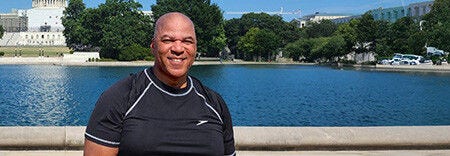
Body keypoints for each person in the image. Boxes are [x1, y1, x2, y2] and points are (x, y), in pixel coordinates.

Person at [84, 12, 236, 156]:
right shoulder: (120, 97)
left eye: (187, 41)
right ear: (153, 47)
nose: (178, 49)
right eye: (168, 40)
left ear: (195, 48)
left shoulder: (215, 103)